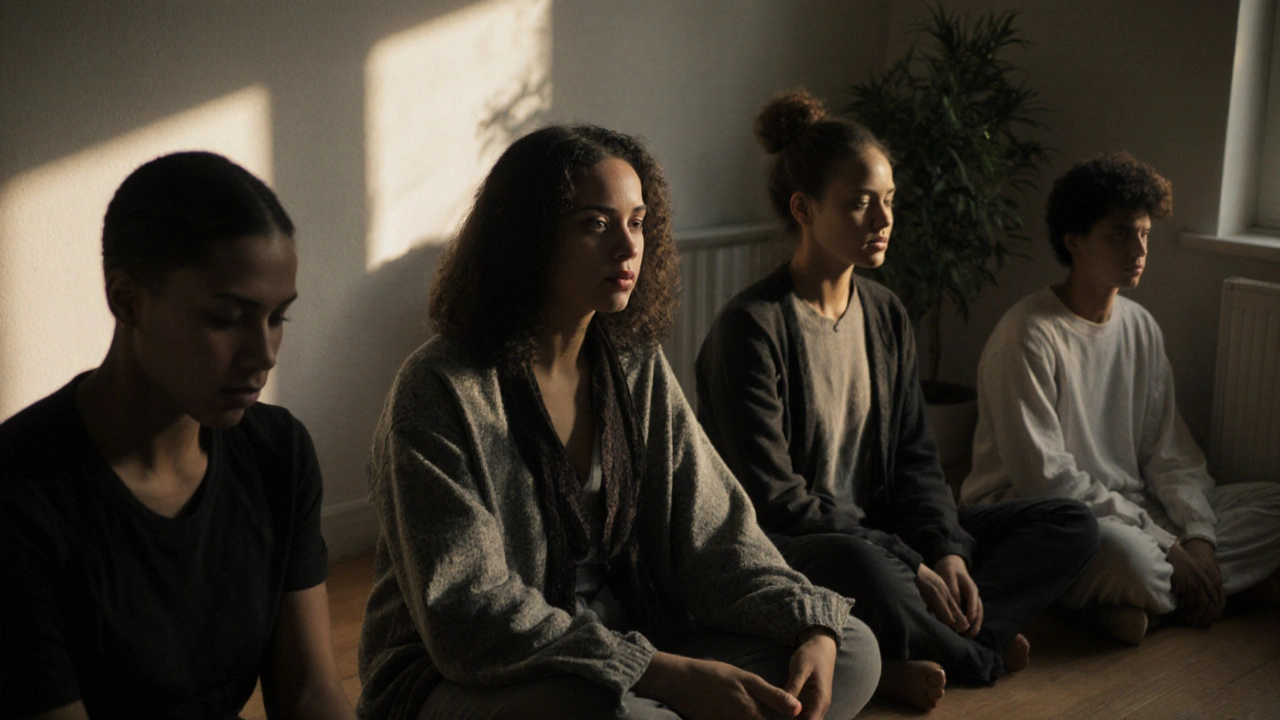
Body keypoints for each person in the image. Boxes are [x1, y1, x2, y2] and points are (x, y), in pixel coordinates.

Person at [356, 124, 881, 720]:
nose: (628, 247)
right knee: (604, 711)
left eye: (636, 222)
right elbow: (467, 613)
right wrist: (663, 674)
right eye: (595, 224)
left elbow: (715, 534)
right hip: (474, 674)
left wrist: (807, 620)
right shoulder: (441, 386)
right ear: (527, 236)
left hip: (635, 637)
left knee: (852, 647)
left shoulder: (633, 364)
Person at [696, 91, 1099, 710]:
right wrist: (911, 563)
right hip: (803, 546)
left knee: (1070, 524)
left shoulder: (885, 313)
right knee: (863, 563)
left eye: (888, 201)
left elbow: (917, 458)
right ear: (804, 208)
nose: (883, 220)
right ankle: (976, 653)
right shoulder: (751, 327)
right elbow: (774, 502)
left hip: (887, 539)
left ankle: (919, 645)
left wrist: (945, 551)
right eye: (860, 204)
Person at [0, 152, 355, 719]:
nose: (262, 355)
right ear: (127, 299)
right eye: (227, 318)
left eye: (277, 318)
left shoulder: (277, 454)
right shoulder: (20, 497)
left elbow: (310, 690)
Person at [961, 152, 1280, 644]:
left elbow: (1170, 456)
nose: (1139, 249)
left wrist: (1199, 539)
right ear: (1074, 240)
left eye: (1145, 234)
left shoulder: (1140, 326)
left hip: (1131, 507)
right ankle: (1171, 594)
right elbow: (1047, 482)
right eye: (1120, 234)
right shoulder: (1025, 336)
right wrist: (1168, 548)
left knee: (1272, 505)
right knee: (1124, 557)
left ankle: (1142, 605)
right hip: (1043, 518)